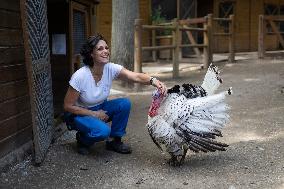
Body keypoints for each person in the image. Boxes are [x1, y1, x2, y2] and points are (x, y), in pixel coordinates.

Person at [63, 34, 167, 155]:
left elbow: (134, 76)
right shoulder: (80, 76)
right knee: (103, 132)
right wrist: (94, 114)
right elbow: (68, 106)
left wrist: (153, 81)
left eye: (106, 48)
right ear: (91, 54)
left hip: (100, 107)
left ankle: (114, 141)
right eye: (100, 49)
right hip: (79, 114)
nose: (105, 51)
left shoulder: (110, 68)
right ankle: (83, 140)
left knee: (124, 104)